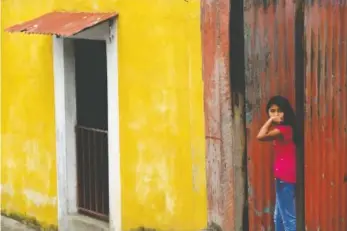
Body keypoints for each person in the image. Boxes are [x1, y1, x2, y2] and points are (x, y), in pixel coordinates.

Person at [256, 95, 297, 231]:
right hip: (281, 178)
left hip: (285, 179)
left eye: (279, 110)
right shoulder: (283, 129)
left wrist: (270, 120)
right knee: (278, 218)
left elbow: (260, 136)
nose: (276, 114)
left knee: (288, 219)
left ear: (285, 112)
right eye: (272, 111)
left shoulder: (284, 130)